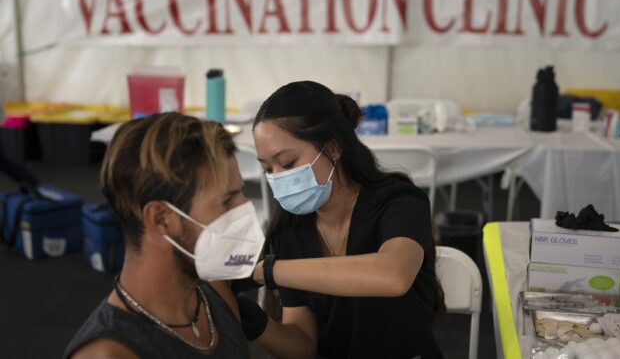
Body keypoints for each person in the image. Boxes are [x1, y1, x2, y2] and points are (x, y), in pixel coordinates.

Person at [236, 81, 445, 358]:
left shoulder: (398, 202)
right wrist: (256, 322)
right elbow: (303, 346)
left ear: (333, 147)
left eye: (287, 163)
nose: (278, 178)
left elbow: (394, 275)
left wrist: (268, 271)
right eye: (267, 170)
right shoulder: (291, 229)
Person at [64, 112, 263, 358]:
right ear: (161, 219)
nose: (245, 210)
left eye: (240, 193)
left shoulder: (214, 290)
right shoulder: (109, 353)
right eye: (226, 201)